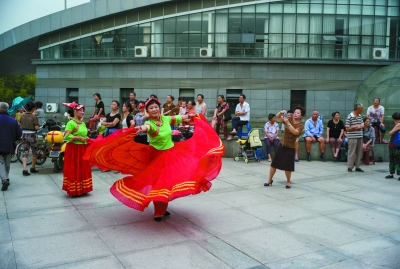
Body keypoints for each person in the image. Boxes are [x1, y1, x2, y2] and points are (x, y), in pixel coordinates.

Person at [83, 98, 224, 222]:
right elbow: (146, 128)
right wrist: (140, 128)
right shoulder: (150, 124)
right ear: (148, 111)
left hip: (171, 154)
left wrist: (192, 115)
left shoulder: (166, 119)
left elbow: (182, 117)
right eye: (151, 108)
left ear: (159, 108)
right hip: (157, 158)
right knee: (158, 184)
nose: (154, 109)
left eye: (156, 107)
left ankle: (163, 206)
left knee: (169, 182)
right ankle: (158, 211)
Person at [264, 106, 306, 189]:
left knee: (288, 166)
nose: (295, 114)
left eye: (298, 113)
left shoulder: (300, 126)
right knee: (274, 164)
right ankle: (269, 180)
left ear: (301, 116)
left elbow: (295, 132)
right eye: (295, 112)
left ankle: (288, 181)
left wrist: (288, 123)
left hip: (290, 147)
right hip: (282, 145)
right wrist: (281, 112)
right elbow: (278, 116)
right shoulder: (289, 120)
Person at [62, 102, 92, 196]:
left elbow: (84, 135)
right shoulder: (70, 123)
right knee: (75, 168)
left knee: (83, 168)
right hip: (73, 149)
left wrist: (86, 139)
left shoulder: (82, 123)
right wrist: (78, 138)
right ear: (75, 111)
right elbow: (67, 136)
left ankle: (83, 189)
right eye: (80, 110)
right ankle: (74, 190)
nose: (82, 112)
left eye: (83, 110)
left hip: (83, 148)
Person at [0, 102, 22, 191]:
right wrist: (13, 139)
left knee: (0, 162)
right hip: (9, 144)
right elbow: (19, 133)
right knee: (7, 163)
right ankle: (6, 177)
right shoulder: (13, 121)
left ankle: (4, 180)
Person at [20, 101, 39, 176]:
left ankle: (24, 169)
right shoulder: (34, 116)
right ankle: (33, 168)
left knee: (25, 152)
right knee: (35, 152)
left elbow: (21, 126)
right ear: (33, 108)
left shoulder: (22, 116)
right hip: (32, 135)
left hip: (24, 134)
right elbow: (36, 128)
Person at [346, 103, 365, 172]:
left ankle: (357, 166)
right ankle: (350, 167)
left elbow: (363, 125)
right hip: (352, 137)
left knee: (359, 152)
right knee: (351, 152)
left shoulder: (360, 116)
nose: (362, 110)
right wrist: (354, 127)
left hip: (360, 136)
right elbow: (347, 128)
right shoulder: (350, 116)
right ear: (358, 109)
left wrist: (356, 127)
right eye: (361, 108)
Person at [385, 112, 400, 180]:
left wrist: (390, 132)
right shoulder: (396, 124)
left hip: (395, 144)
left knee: (395, 159)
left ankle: (392, 173)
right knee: (394, 158)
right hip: (394, 144)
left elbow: (390, 133)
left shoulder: (398, 124)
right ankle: (391, 173)